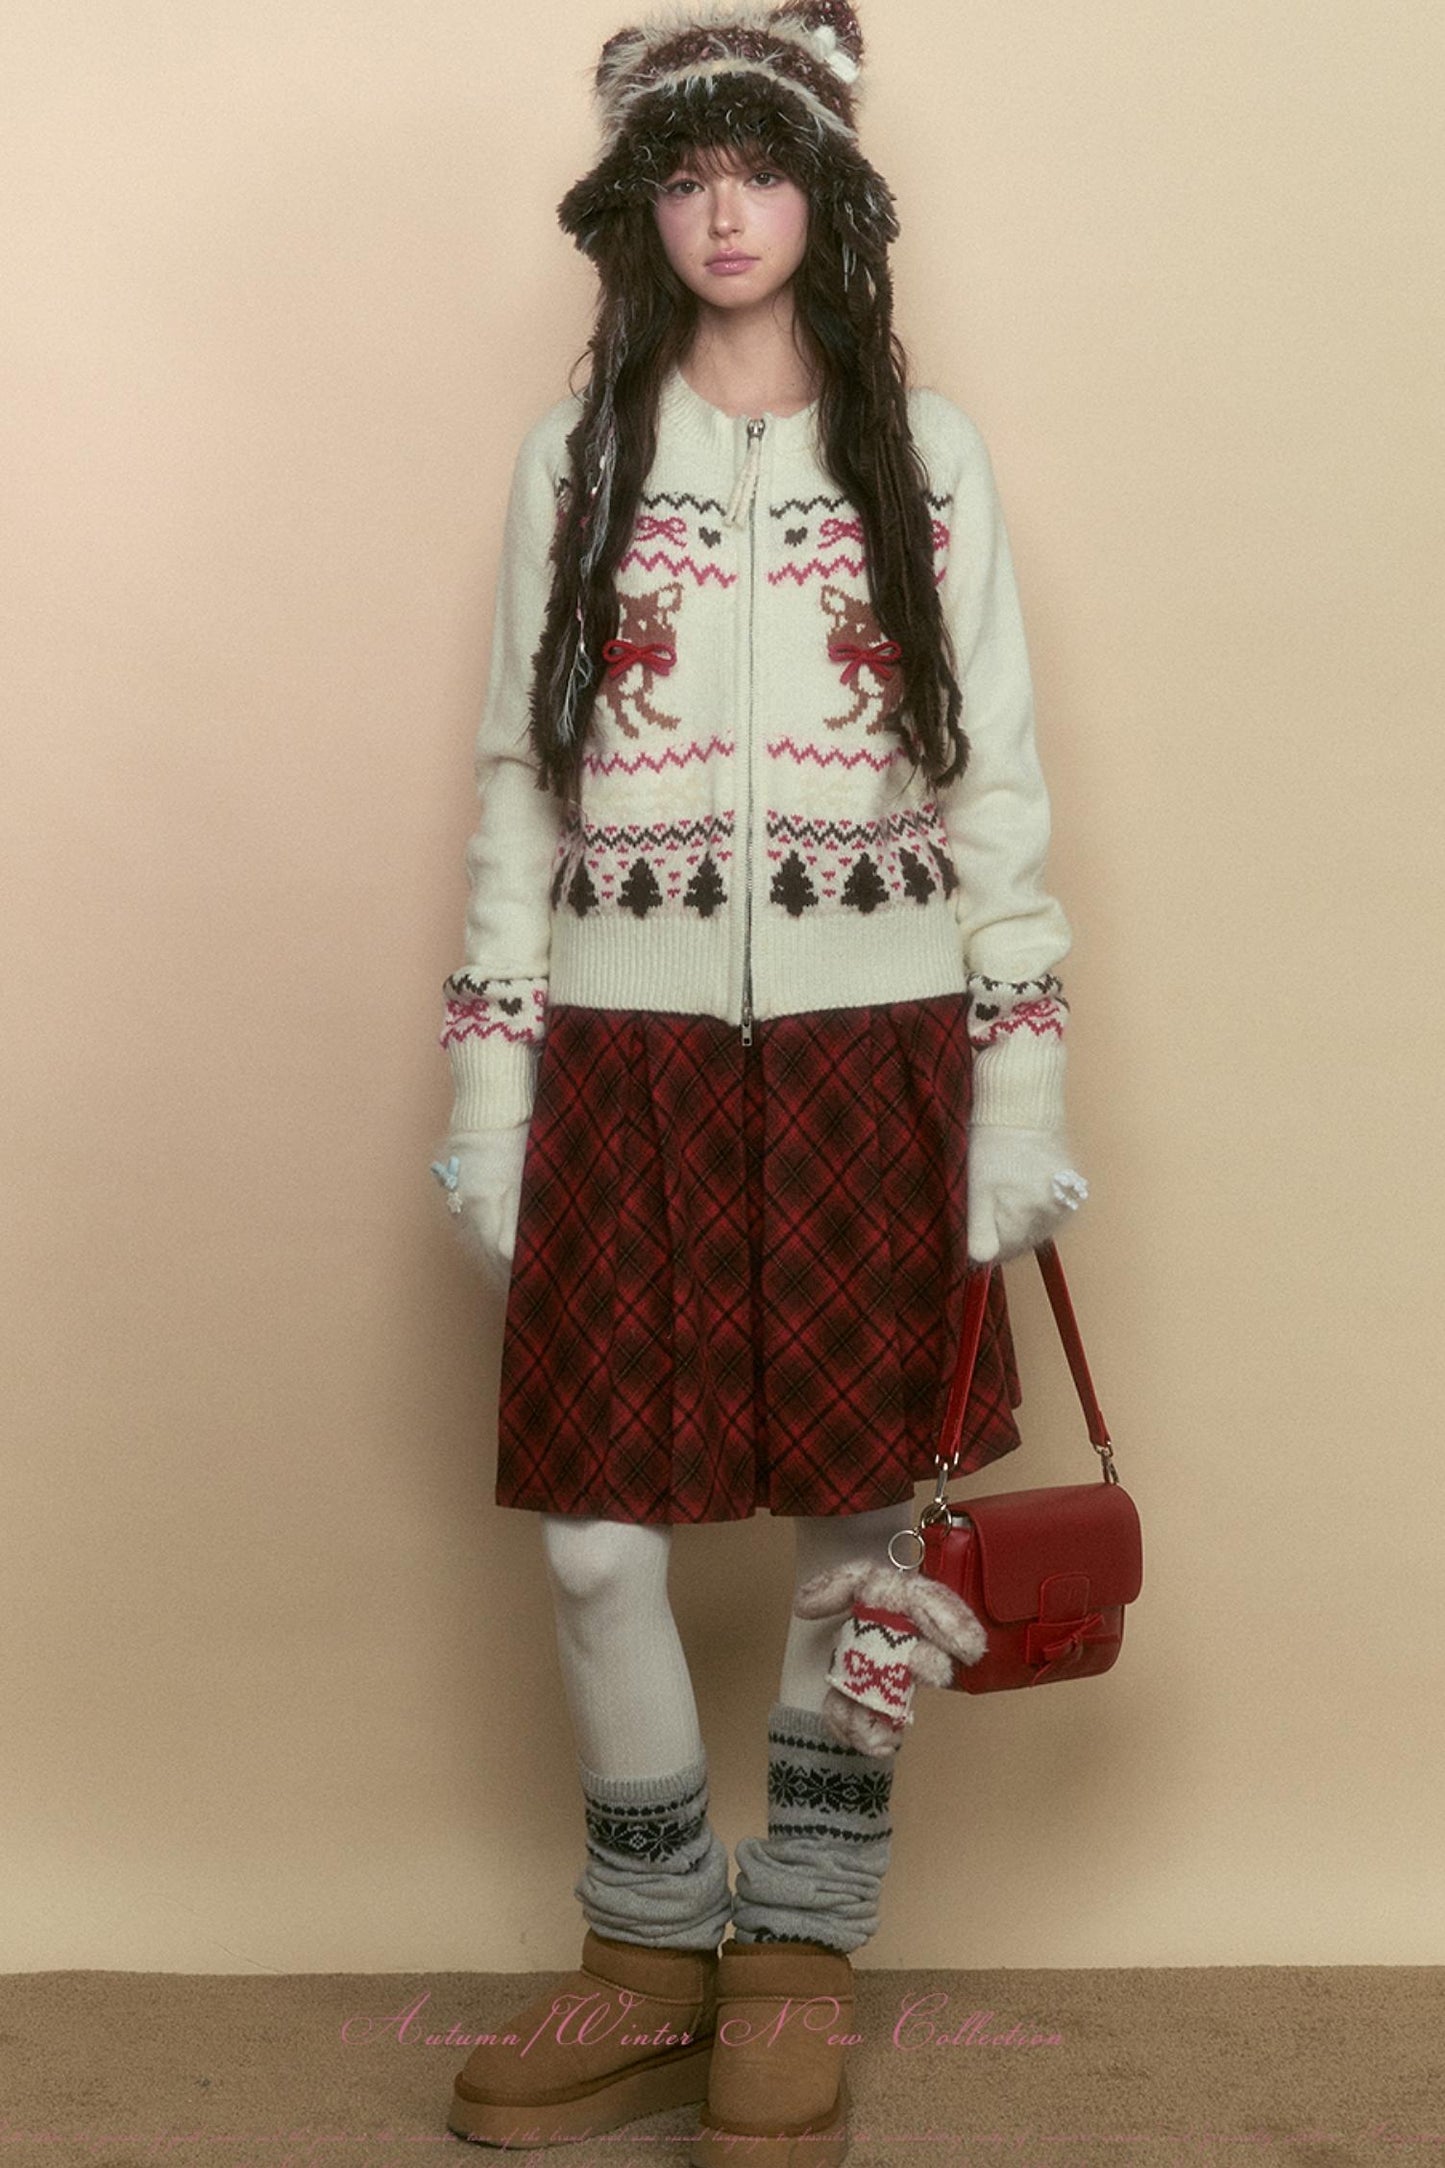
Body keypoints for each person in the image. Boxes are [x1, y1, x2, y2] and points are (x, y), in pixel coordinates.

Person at [428, 4, 1088, 2160]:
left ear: (828, 198)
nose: (727, 214)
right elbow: (520, 776)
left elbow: (995, 785)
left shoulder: (927, 455)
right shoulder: (574, 459)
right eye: (688, 177)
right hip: (617, 1055)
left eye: (765, 170)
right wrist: (494, 1086)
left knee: (858, 1526)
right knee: (597, 1543)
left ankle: (796, 1951)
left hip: (871, 1046)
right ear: (639, 208)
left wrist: (1015, 1091)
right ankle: (645, 1959)